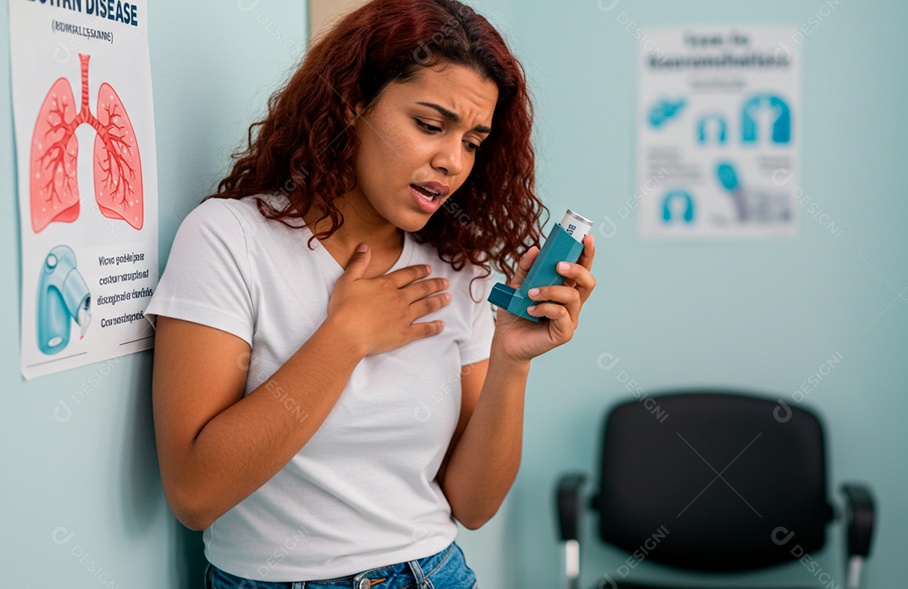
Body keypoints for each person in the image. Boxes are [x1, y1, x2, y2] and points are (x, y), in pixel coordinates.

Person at [144, 0, 596, 587]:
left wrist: (512, 361)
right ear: (352, 105)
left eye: (473, 141)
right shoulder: (229, 238)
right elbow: (194, 492)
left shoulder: (461, 265)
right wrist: (347, 336)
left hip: (435, 571)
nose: (451, 161)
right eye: (431, 126)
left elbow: (474, 506)